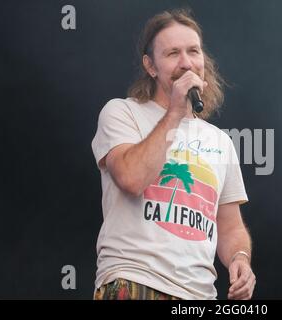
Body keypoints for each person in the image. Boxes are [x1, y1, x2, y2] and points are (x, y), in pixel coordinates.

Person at [91, 9, 256, 300]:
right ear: (150, 66)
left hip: (199, 294)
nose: (186, 62)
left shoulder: (220, 141)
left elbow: (230, 226)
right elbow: (131, 178)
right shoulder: (122, 112)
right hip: (135, 279)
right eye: (172, 53)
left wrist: (240, 258)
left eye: (193, 51)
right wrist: (175, 114)